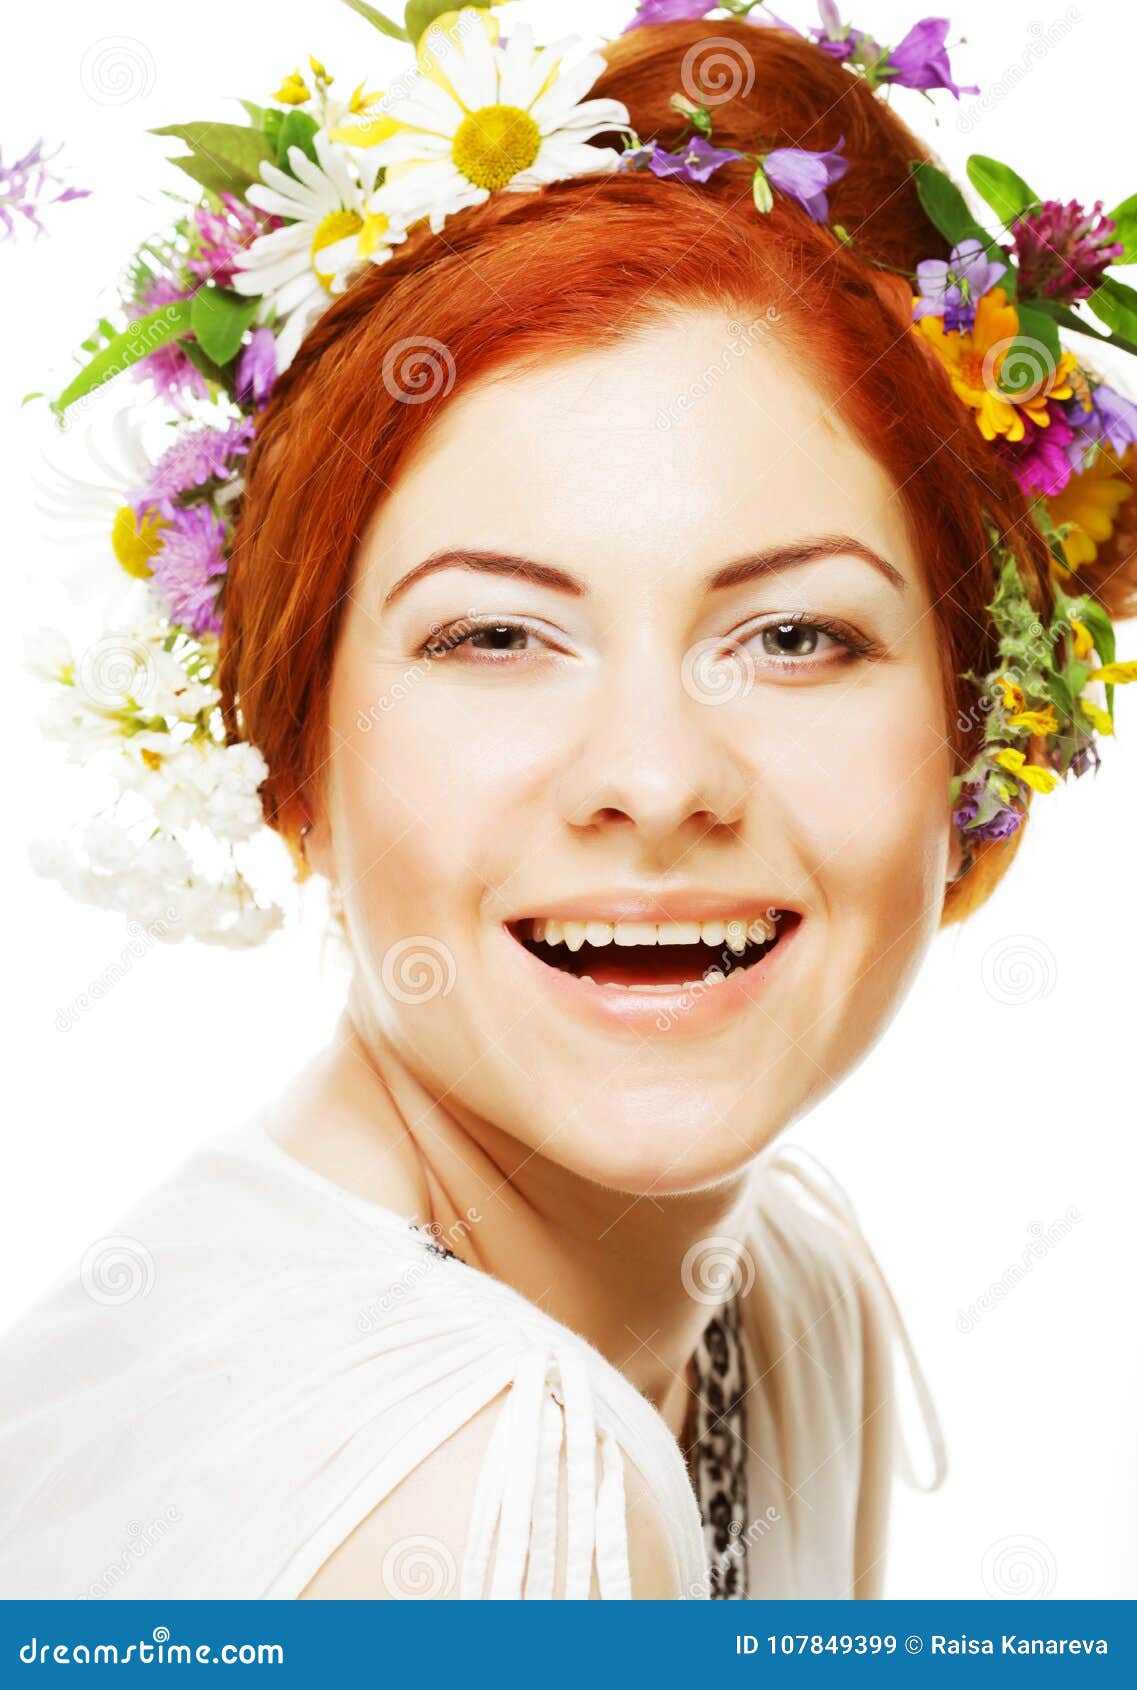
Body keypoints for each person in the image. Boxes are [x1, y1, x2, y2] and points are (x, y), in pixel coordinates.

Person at [5, 3, 1135, 1600]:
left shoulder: (781, 1293)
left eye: (797, 634)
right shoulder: (465, 1490)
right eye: (495, 635)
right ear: (288, 742)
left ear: (979, 734)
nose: (657, 778)